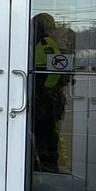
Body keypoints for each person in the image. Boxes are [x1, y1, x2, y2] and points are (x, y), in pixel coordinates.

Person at [32, 12, 67, 173]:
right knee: (44, 133)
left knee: (43, 132)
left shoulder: (40, 43)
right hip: (44, 98)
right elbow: (57, 68)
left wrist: (45, 89)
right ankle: (44, 166)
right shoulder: (43, 42)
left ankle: (44, 165)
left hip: (42, 98)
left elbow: (55, 69)